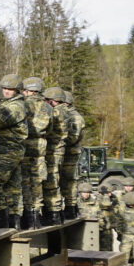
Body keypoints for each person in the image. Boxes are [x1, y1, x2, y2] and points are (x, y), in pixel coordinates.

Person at [0, 74, 29, 229]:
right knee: (12, 187)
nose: (5, 91)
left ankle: (1, 217)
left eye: (10, 89)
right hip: (10, 151)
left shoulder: (15, 107)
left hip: (8, 151)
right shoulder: (12, 104)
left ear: (17, 91)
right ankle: (13, 220)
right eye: (4, 88)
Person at [20, 77, 53, 229]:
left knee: (25, 182)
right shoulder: (48, 108)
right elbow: (50, 129)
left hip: (25, 147)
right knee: (37, 183)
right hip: (40, 148)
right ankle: (36, 216)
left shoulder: (23, 104)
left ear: (28, 90)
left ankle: (27, 215)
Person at [41, 87, 68, 225]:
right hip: (58, 150)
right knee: (54, 181)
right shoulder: (65, 110)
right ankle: (56, 213)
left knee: (52, 182)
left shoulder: (57, 112)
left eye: (47, 100)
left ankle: (54, 214)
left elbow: (49, 128)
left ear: (53, 101)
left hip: (54, 150)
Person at [59, 91, 86, 219]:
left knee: (69, 181)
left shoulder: (75, 117)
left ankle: (71, 207)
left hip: (70, 153)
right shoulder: (67, 115)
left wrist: (58, 139)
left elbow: (73, 138)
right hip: (65, 152)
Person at [97, 185, 116, 251]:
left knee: (109, 246)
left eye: (110, 192)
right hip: (101, 228)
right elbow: (106, 204)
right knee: (103, 248)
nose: (110, 194)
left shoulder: (113, 199)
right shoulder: (99, 199)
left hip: (108, 228)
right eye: (108, 193)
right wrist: (105, 195)